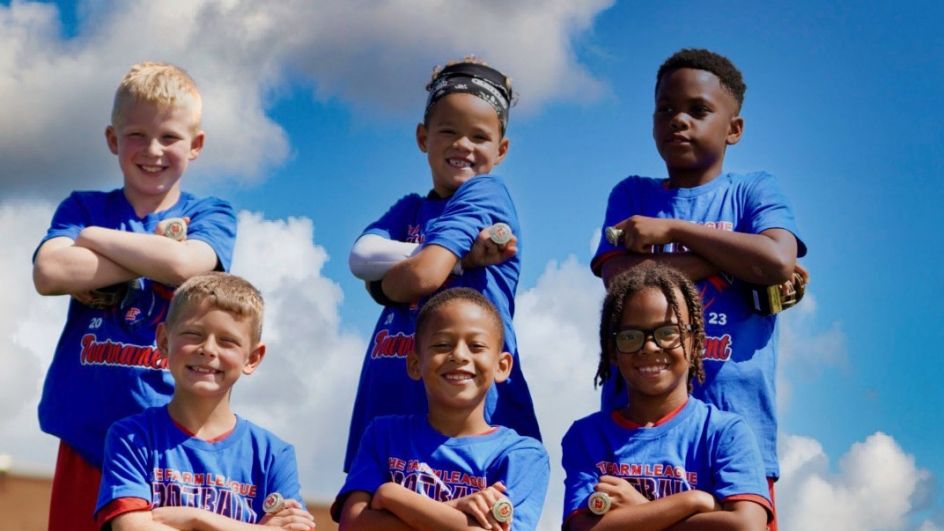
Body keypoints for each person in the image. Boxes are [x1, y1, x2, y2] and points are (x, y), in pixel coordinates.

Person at [590, 48, 807, 523]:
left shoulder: (754, 191)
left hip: (738, 435)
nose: (679, 120)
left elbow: (775, 260)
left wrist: (673, 233)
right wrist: (732, 260)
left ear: (734, 129)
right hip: (638, 434)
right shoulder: (632, 195)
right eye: (665, 109)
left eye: (698, 110)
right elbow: (622, 282)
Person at [32, 62, 237, 530]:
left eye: (169, 137)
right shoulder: (85, 208)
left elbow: (188, 266)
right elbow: (50, 271)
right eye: (137, 135)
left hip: (165, 440)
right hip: (86, 437)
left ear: (196, 145)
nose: (153, 150)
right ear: (112, 140)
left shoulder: (210, 213)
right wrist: (156, 252)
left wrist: (91, 241)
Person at [344, 57, 540, 472]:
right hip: (391, 401)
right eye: (448, 131)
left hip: (468, 416)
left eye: (479, 137)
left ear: (501, 149)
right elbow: (361, 259)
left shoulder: (486, 193)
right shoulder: (409, 208)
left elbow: (422, 276)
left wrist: (391, 282)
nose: (462, 145)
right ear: (423, 137)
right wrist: (461, 260)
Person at [94, 272, 316, 530]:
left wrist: (193, 518)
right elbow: (130, 527)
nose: (208, 349)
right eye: (193, 334)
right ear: (164, 341)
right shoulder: (132, 437)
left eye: (228, 341)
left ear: (252, 358)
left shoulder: (273, 454)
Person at [562, 265, 772, 530]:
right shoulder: (588, 436)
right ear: (612, 350)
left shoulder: (725, 433)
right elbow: (584, 528)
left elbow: (746, 525)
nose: (650, 346)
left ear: (695, 341)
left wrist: (639, 509)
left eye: (667, 333)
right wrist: (692, 501)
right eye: (630, 336)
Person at [334, 288, 549, 530]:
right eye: (442, 345)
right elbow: (352, 523)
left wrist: (393, 494)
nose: (459, 355)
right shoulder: (383, 435)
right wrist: (457, 510)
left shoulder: (521, 454)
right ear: (415, 364)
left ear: (502, 366)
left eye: (476, 346)